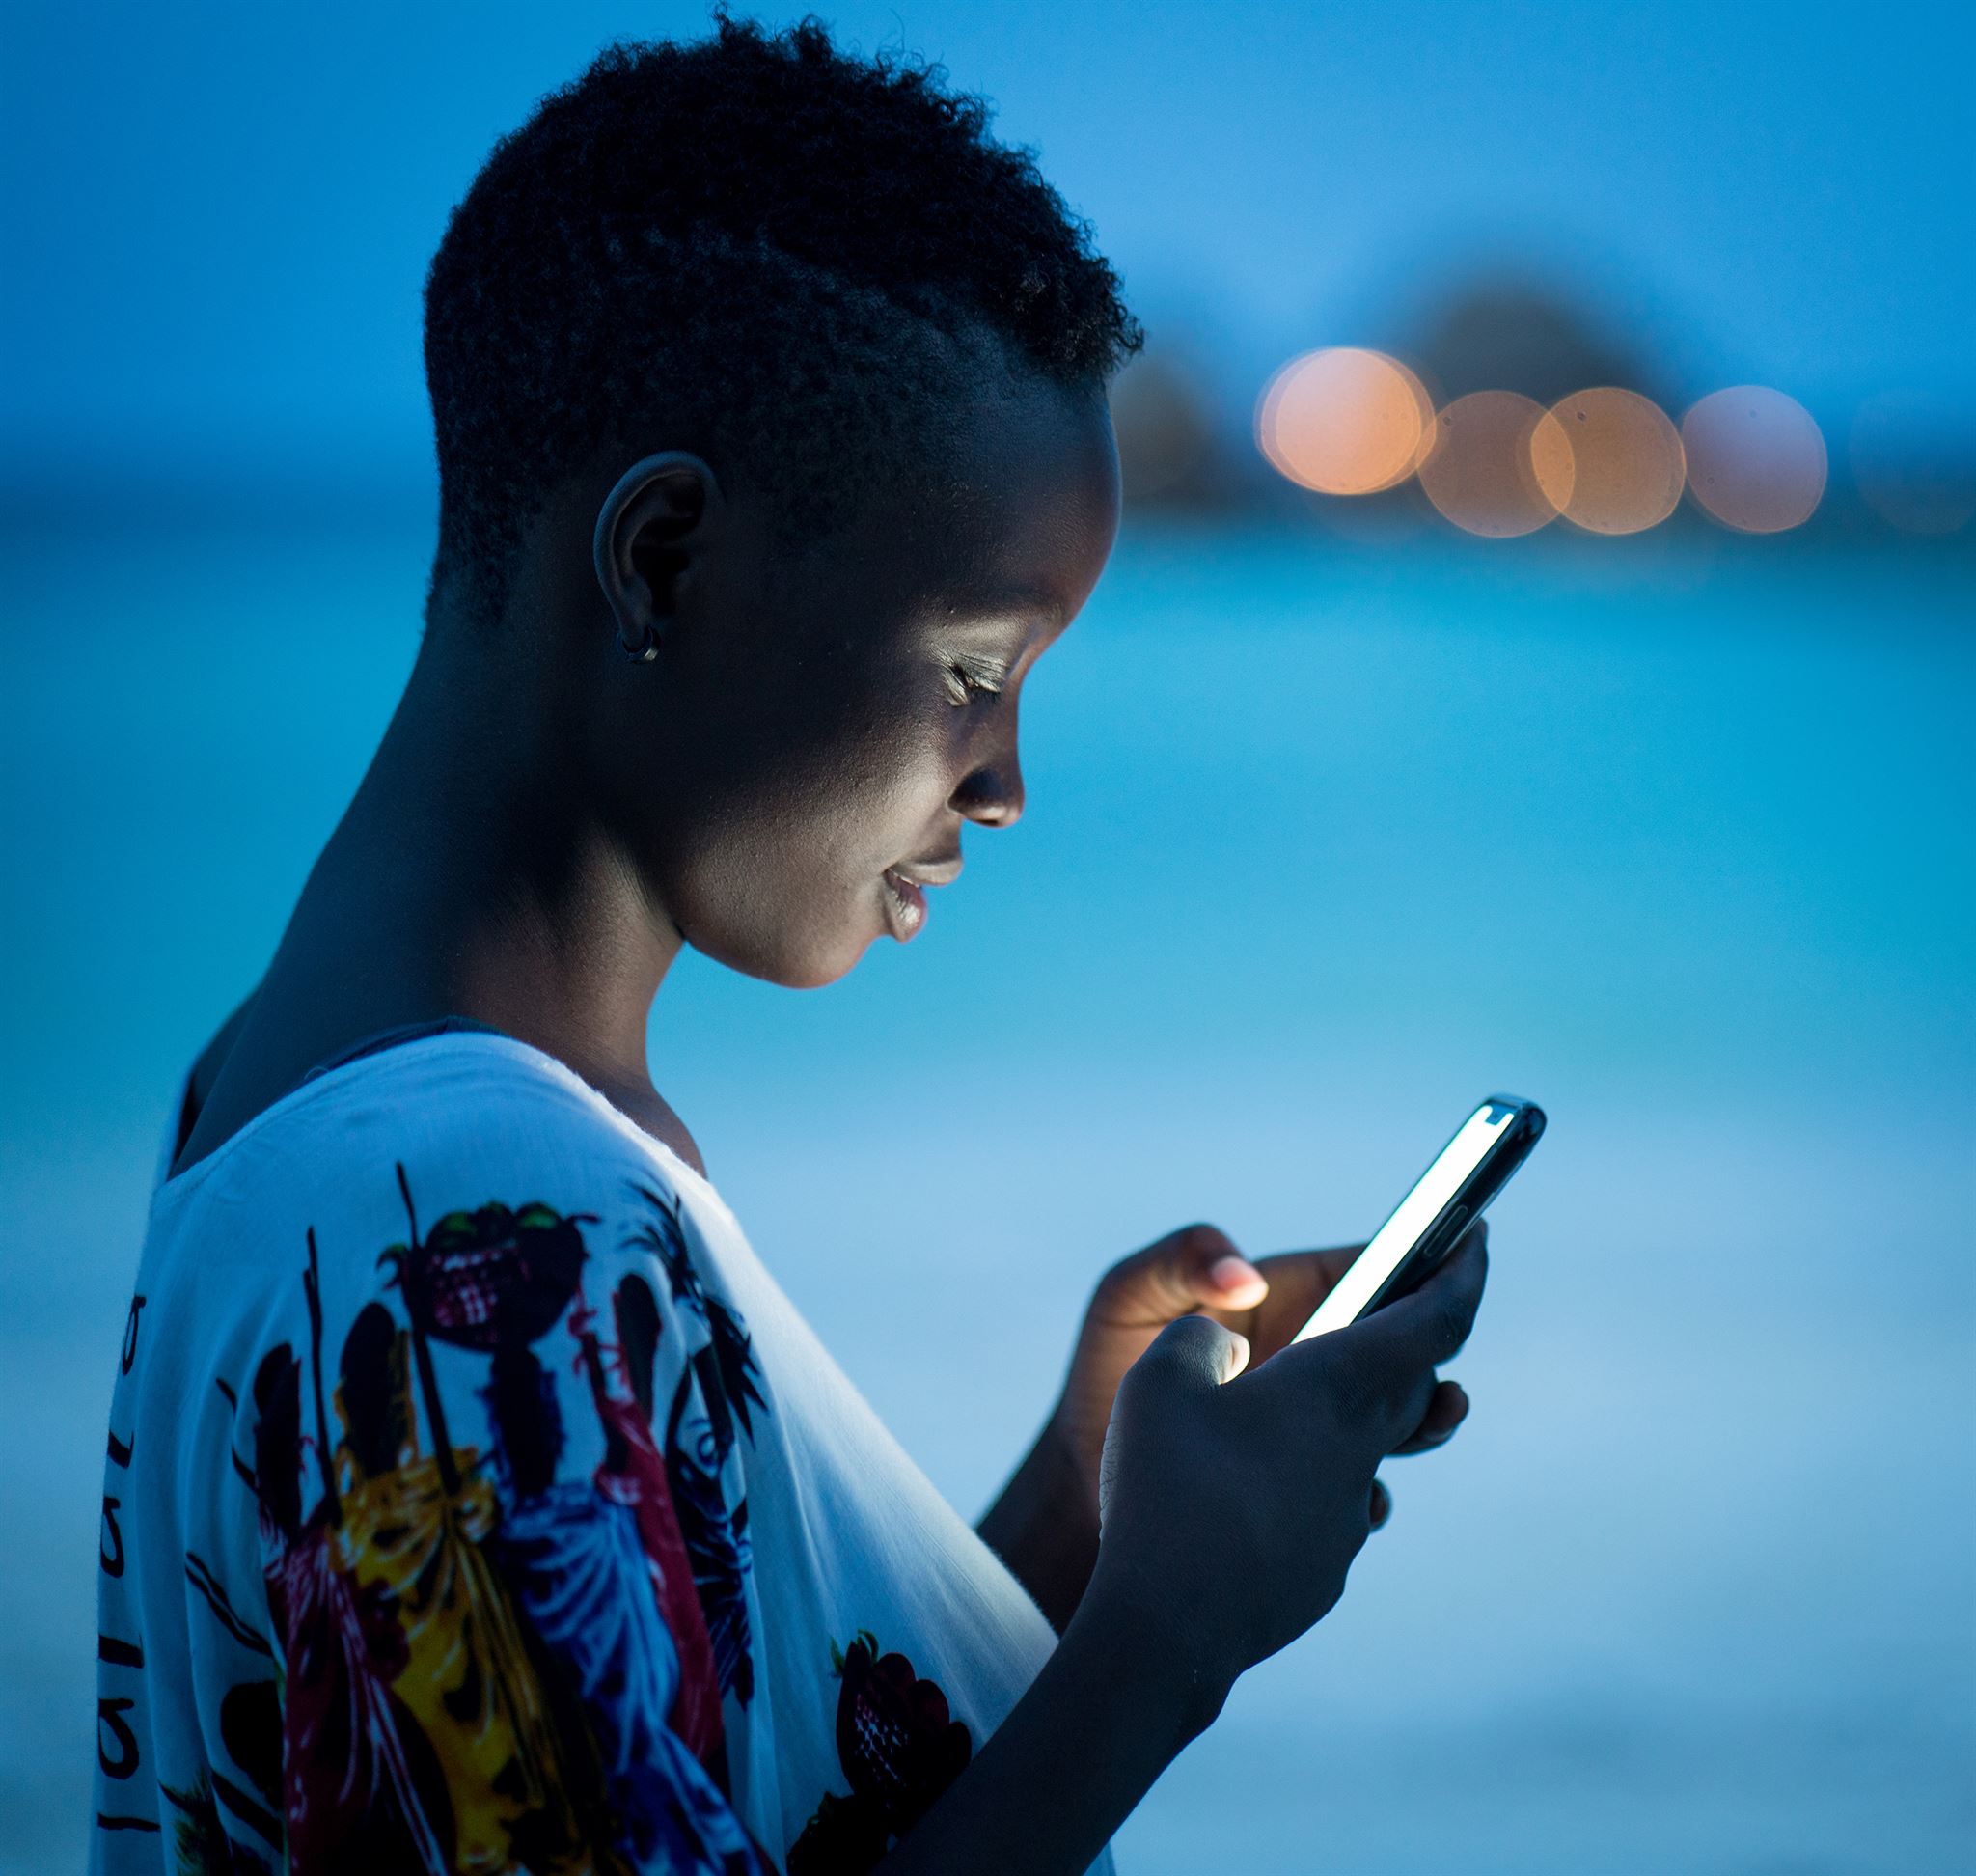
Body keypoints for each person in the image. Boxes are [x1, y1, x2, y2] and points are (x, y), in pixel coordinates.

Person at [90, 17, 1487, 1874]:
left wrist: (1084, 1496)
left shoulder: (341, 1110)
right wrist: (1167, 1645)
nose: (1003, 784)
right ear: (663, 561)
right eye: (977, 675)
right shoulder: (462, 1237)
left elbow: (726, 1776)